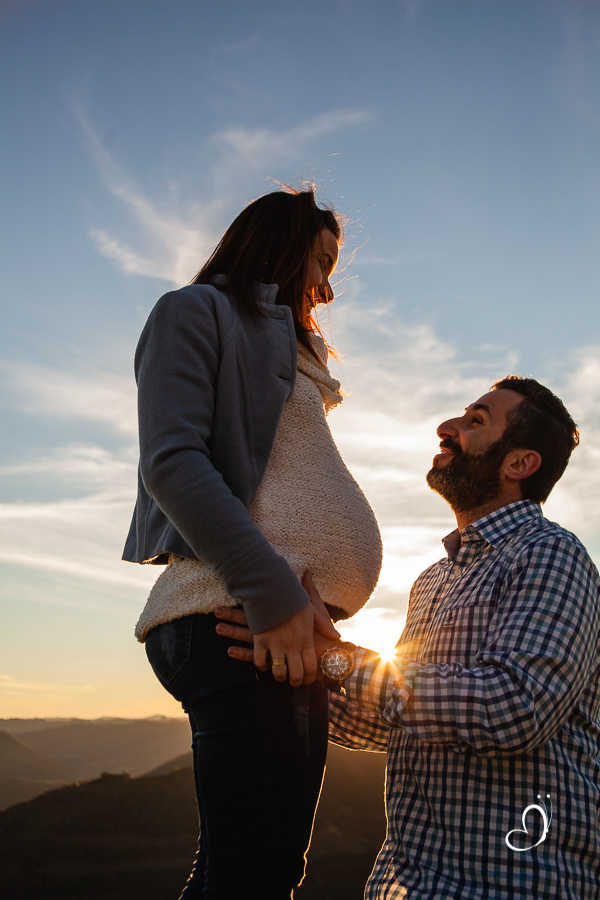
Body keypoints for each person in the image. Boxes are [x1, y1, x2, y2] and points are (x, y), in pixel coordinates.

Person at [217, 375, 600, 899]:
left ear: (518, 464)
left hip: (513, 884)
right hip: (403, 885)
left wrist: (342, 661)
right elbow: (394, 725)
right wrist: (295, 662)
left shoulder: (551, 555)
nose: (447, 427)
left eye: (476, 421)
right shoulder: (432, 582)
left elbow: (514, 708)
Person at [122, 188, 383, 899]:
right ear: (280, 240)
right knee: (254, 875)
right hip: (238, 617)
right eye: (321, 261)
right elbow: (172, 460)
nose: (327, 286)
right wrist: (272, 597)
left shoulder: (284, 348)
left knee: (254, 873)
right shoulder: (194, 310)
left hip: (285, 630)